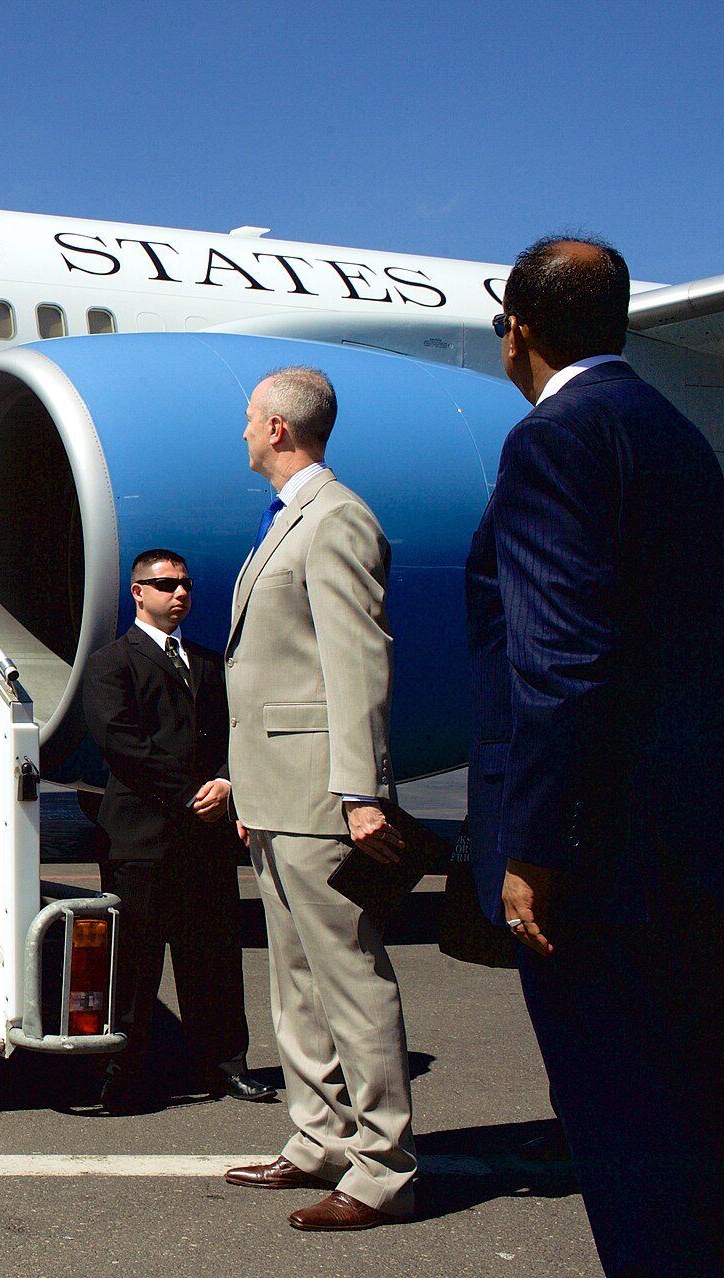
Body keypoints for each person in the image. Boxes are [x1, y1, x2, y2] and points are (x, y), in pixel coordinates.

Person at [468, 236, 724, 1271]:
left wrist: (532, 846)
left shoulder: (552, 439)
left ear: (517, 330)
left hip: (604, 863)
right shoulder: (676, 434)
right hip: (690, 841)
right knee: (693, 1122)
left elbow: (558, 662)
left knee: (627, 1137)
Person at [222, 366, 416, 1232]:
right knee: (294, 985)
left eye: (248, 420)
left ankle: (383, 1167)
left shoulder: (335, 518)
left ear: (276, 430)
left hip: (319, 795)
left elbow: (356, 662)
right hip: (274, 792)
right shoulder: (287, 519)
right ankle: (318, 1137)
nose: (242, 433)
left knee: (350, 982)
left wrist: (361, 791)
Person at [79, 548, 275, 1113]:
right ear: (138, 592)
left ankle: (225, 1065)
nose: (179, 593)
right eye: (165, 584)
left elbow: (235, 733)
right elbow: (121, 743)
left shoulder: (211, 665)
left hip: (206, 839)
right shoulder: (111, 663)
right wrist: (191, 792)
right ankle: (125, 1070)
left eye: (185, 583)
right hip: (141, 839)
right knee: (135, 963)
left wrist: (227, 781)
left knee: (213, 957)